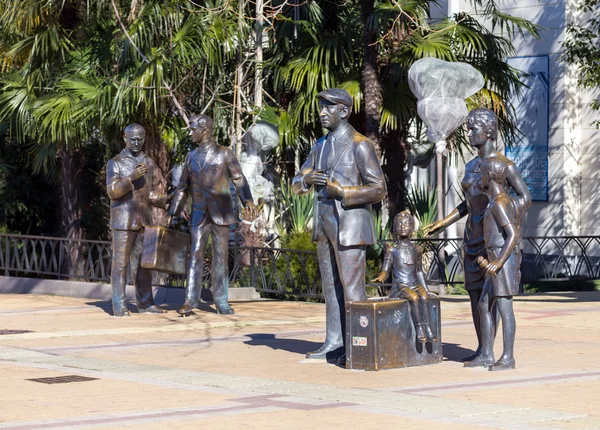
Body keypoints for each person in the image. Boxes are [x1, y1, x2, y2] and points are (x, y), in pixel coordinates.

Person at [423, 107, 531, 362]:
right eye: (468, 128)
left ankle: (500, 353)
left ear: (489, 131)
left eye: (474, 129)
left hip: (495, 241)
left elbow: (525, 198)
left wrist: (501, 217)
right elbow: (468, 203)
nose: (469, 134)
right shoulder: (472, 165)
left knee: (495, 297)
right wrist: (444, 222)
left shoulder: (504, 165)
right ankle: (484, 349)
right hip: (472, 238)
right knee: (476, 296)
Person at [292, 88, 386, 363]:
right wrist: (306, 181)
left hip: (350, 224)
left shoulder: (360, 144)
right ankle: (334, 341)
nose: (321, 113)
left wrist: (343, 192)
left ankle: (361, 345)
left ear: (343, 111)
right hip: (324, 224)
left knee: (353, 289)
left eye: (327, 108)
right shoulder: (318, 146)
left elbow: (378, 189)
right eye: (320, 107)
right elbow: (297, 182)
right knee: (330, 287)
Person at [167, 114, 255, 315]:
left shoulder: (224, 154)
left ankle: (221, 300)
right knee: (195, 255)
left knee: (221, 257)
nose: (190, 133)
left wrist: (247, 200)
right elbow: (182, 188)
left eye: (192, 129)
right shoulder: (191, 157)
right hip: (199, 213)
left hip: (221, 213)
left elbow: (239, 179)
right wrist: (174, 211)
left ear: (205, 130)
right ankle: (190, 299)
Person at [106, 123, 169, 317]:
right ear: (125, 138)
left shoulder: (148, 162)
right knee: (120, 265)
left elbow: (147, 193)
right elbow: (113, 191)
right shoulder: (115, 163)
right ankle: (119, 304)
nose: (136, 142)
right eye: (132, 139)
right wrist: (131, 177)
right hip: (123, 221)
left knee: (143, 266)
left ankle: (145, 303)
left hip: (143, 220)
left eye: (140, 139)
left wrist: (164, 200)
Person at [466, 157, 520, 370]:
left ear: (491, 176)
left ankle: (508, 357)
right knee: (483, 304)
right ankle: (487, 354)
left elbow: (512, 235)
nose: (480, 178)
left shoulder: (500, 203)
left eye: (482, 174)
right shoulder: (494, 201)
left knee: (505, 309)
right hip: (493, 260)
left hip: (501, 262)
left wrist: (497, 262)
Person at [372, 211, 437, 343]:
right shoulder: (392, 249)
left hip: (414, 283)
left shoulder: (417, 249)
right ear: (395, 228)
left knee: (423, 296)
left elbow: (419, 272)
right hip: (400, 286)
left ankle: (428, 327)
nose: (403, 226)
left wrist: (426, 289)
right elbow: (386, 269)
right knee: (413, 297)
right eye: (399, 224)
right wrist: (381, 277)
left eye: (406, 224)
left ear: (412, 228)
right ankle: (419, 329)